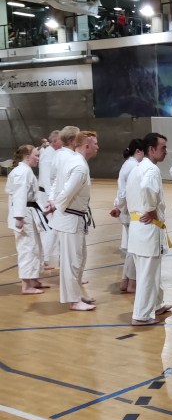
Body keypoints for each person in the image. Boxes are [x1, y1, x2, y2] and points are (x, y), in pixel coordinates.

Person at [126, 132, 172, 326]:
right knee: (147, 274)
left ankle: (156, 304)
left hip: (137, 226)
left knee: (151, 271)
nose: (166, 151)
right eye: (163, 148)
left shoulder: (137, 168)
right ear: (151, 149)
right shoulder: (151, 170)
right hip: (147, 227)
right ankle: (141, 316)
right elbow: (147, 188)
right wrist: (151, 208)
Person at [49, 130, 99, 312]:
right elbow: (67, 191)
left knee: (80, 258)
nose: (98, 147)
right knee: (72, 261)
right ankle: (73, 300)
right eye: (95, 144)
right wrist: (55, 205)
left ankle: (76, 294)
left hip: (73, 217)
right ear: (87, 146)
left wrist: (52, 201)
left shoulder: (74, 160)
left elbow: (56, 183)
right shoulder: (79, 166)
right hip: (69, 218)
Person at [6, 144, 50, 295]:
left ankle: (34, 280)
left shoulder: (25, 170)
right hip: (23, 214)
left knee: (35, 247)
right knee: (27, 248)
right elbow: (19, 195)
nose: (38, 158)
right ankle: (26, 286)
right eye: (36, 155)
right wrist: (19, 217)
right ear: (27, 156)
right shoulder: (21, 172)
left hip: (29, 212)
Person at [110, 138, 145, 292]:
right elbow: (125, 192)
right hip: (132, 212)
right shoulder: (133, 166)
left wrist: (118, 206)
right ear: (138, 151)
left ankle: (126, 281)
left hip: (127, 211)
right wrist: (119, 206)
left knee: (132, 248)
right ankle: (132, 283)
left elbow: (121, 191)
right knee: (135, 249)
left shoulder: (128, 164)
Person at [37, 129, 62, 268]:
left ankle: (48, 257)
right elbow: (47, 178)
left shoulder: (53, 152)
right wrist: (50, 199)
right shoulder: (48, 154)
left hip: (50, 194)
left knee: (52, 227)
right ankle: (44, 258)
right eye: (61, 140)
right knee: (50, 226)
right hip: (46, 195)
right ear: (55, 141)